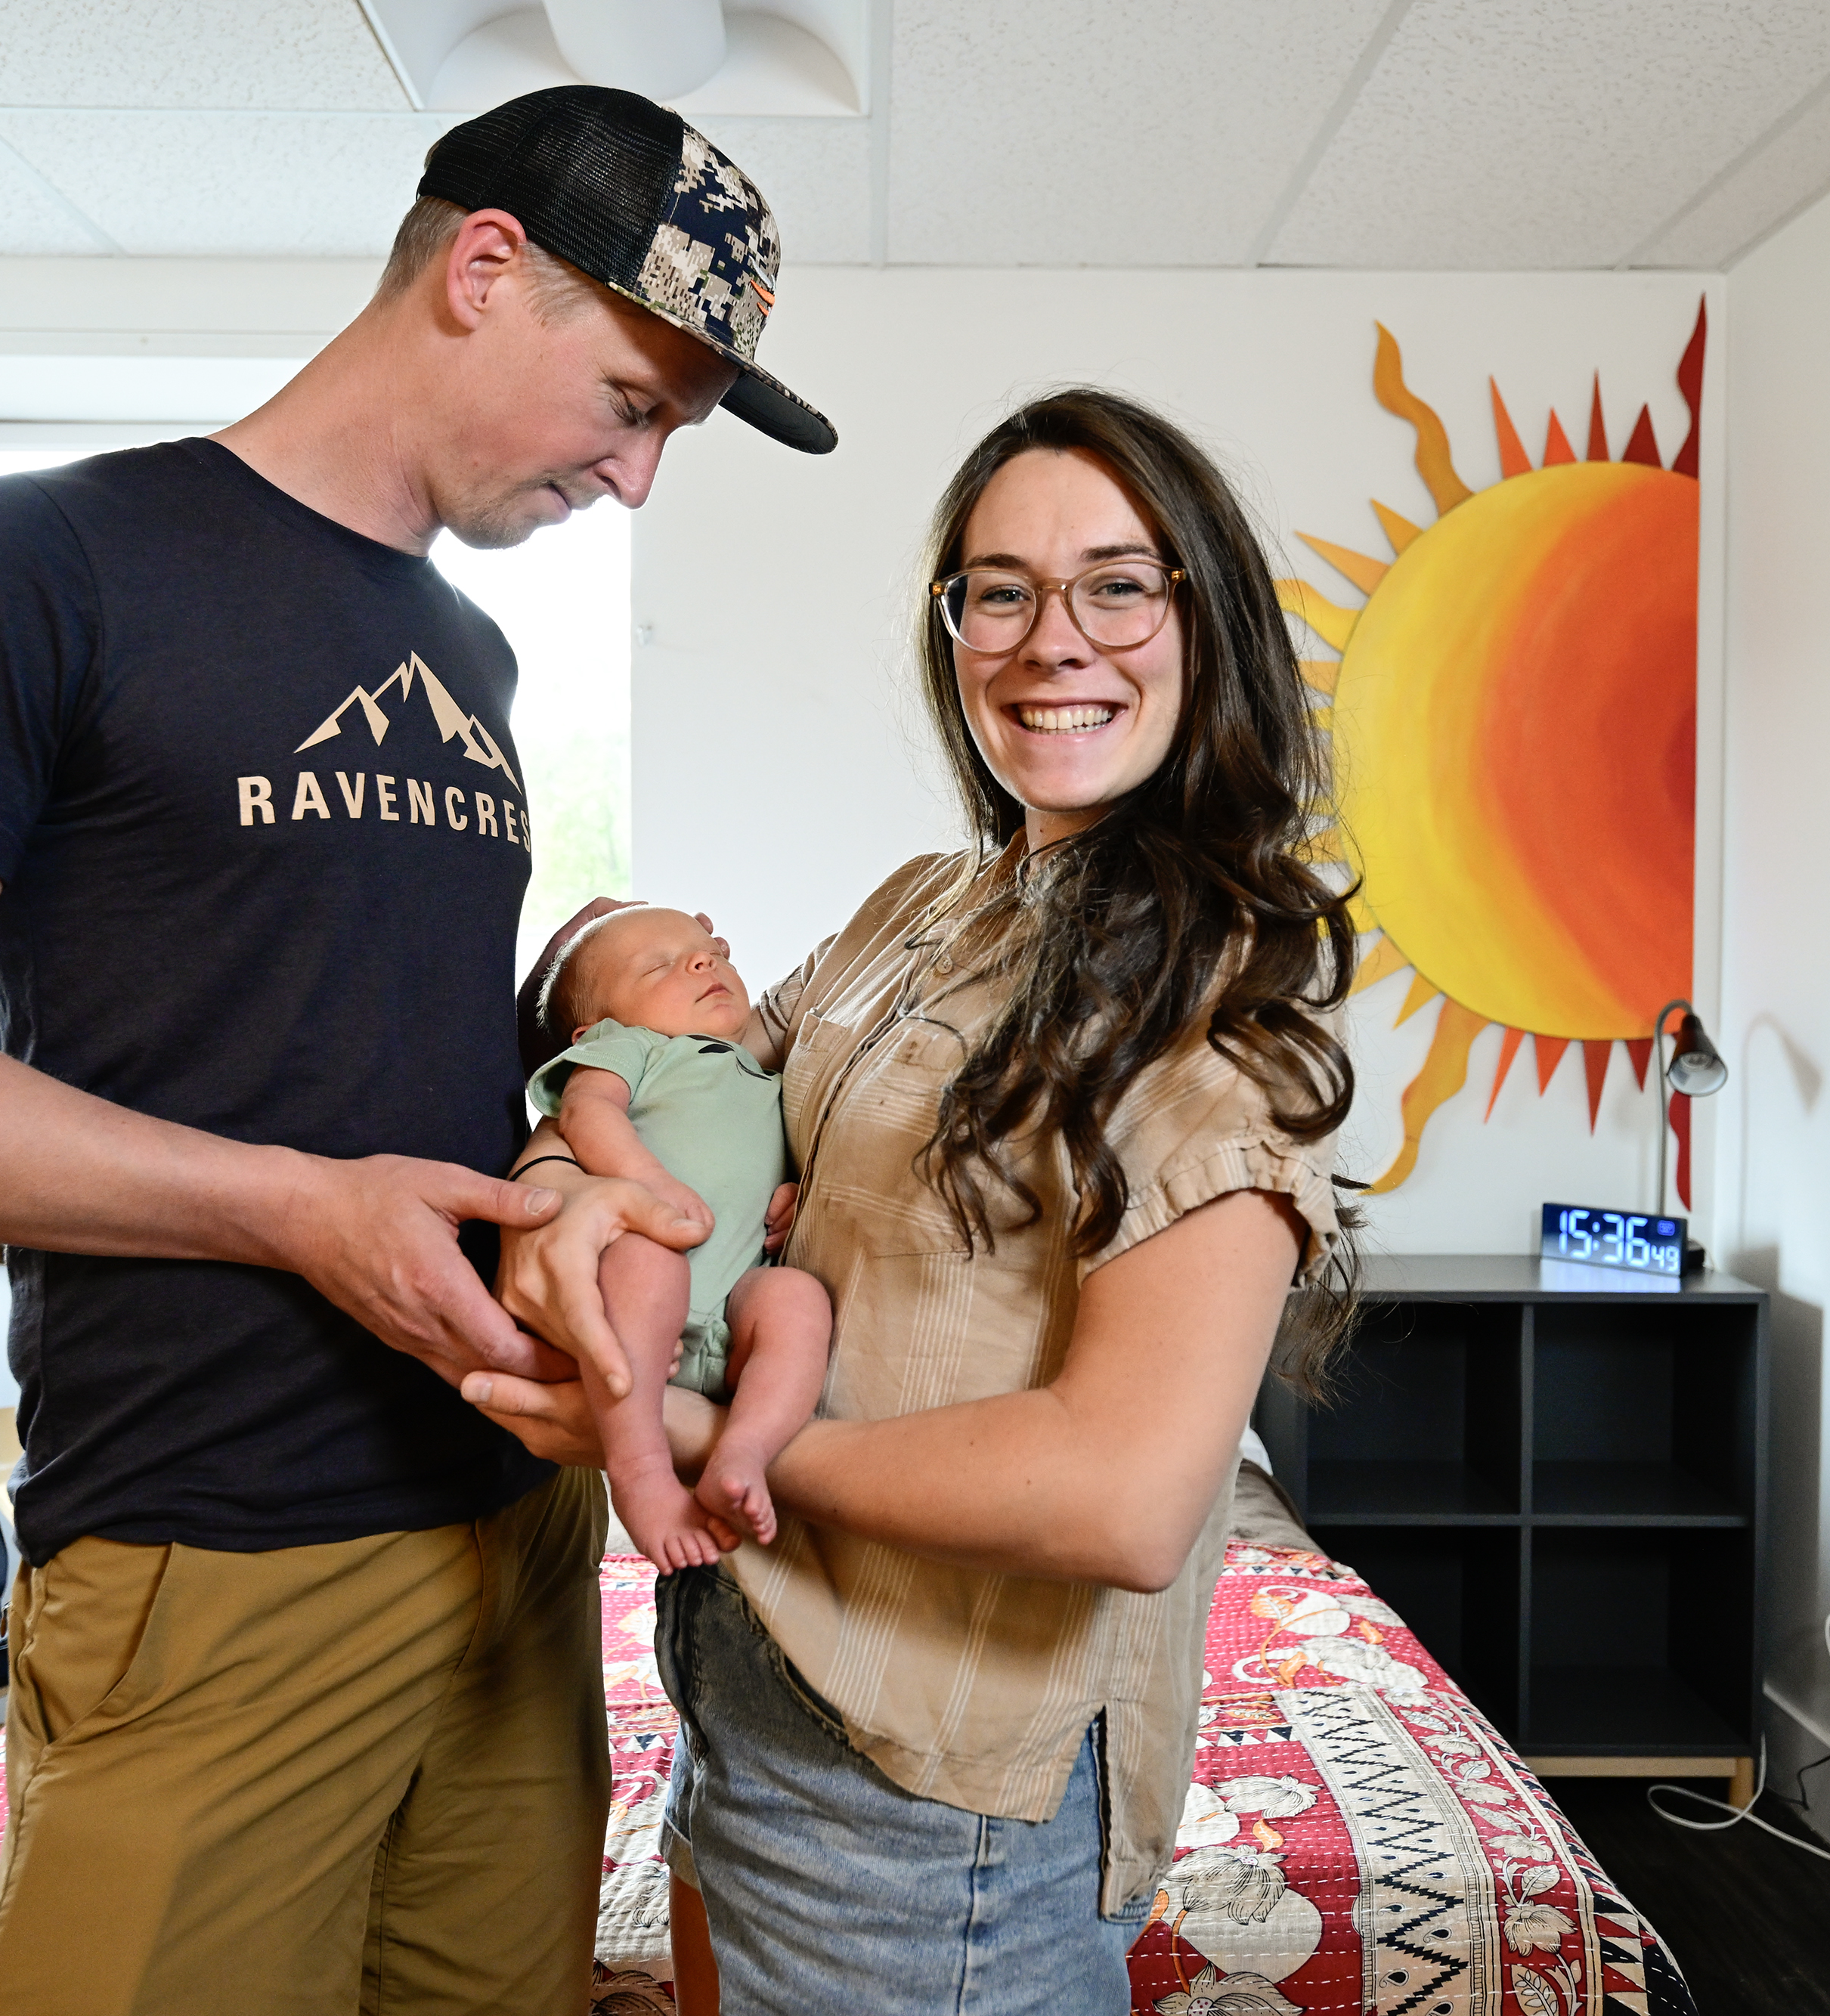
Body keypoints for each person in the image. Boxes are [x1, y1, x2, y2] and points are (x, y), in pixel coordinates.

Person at [0, 85, 834, 2016]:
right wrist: (290, 1213)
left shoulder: (468, 662)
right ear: (485, 270)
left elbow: (372, 1050)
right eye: (634, 407)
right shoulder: (39, 563)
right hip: (213, 1542)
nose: (637, 480)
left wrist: (565, 1156)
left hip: (510, 1539)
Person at [474, 388, 1358, 2015]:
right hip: (751, 1681)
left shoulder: (1206, 1002)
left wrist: (707, 1448)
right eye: (998, 589)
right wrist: (561, 1177)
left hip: (925, 1791)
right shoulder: (929, 905)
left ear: (1201, 615)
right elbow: (691, 1073)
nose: (1049, 639)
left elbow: (1124, 1494)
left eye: (1115, 582)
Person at [523, 903, 833, 1569]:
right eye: (660, 964)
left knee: (796, 1297)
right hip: (636, 1301)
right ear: (596, 1027)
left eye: (708, 950)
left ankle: (745, 1449)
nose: (702, 961)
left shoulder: (771, 1078)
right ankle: (641, 1477)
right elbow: (585, 1112)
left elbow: (778, 1157)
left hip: (732, 1313)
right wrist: (647, 1184)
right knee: (646, 1254)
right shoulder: (631, 1048)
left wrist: (798, 1190)